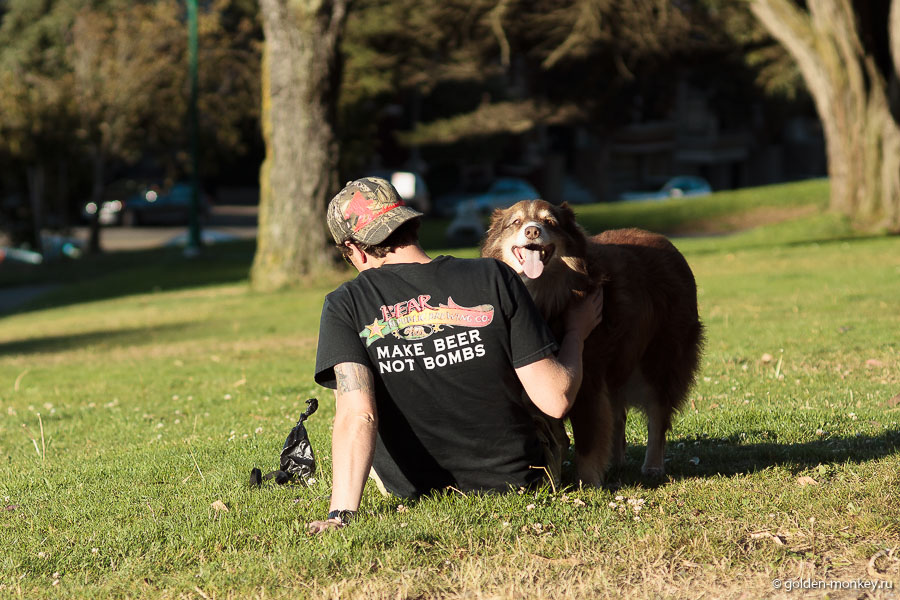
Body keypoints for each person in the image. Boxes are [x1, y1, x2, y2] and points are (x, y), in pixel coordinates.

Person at [309, 177, 602, 534]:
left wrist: (340, 515)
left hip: (411, 488)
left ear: (354, 249)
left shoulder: (344, 304)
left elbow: (359, 416)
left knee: (350, 395)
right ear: (411, 223)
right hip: (519, 481)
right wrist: (577, 333)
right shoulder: (493, 276)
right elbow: (556, 399)